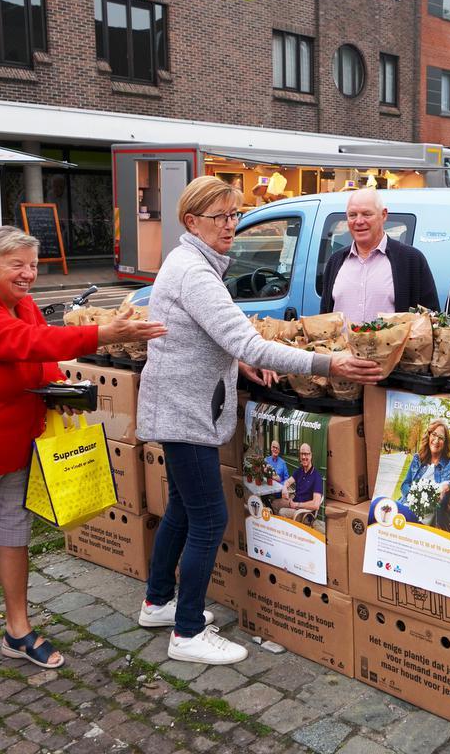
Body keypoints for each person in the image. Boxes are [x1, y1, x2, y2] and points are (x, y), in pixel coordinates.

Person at [136, 176, 381, 665]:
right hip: (185, 412)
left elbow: (216, 338)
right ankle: (186, 632)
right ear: (192, 222)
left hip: (181, 406)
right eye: (220, 217)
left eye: (235, 215)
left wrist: (237, 362)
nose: (231, 226)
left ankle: (157, 602)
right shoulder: (194, 271)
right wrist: (327, 363)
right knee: (209, 519)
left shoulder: (192, 262)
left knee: (184, 509)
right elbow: (246, 339)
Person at [0, 227, 167, 677]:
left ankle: (18, 628)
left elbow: (38, 357)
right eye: (19, 265)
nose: (29, 274)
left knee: (14, 537)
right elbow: (26, 343)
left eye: (33, 265)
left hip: (16, 443)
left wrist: (59, 384)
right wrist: (102, 335)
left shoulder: (22, 303)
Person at [319, 187, 439, 322]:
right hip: (342, 344)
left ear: (383, 215)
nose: (359, 221)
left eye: (366, 214)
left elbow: (431, 319)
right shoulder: (335, 262)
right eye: (352, 215)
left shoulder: (411, 260)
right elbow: (325, 319)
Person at [390, 419, 450, 523]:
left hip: (420, 520)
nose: (436, 440)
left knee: (378, 505)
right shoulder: (418, 459)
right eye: (434, 435)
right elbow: (405, 484)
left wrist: (446, 485)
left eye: (441, 438)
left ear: (445, 443)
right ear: (429, 436)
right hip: (405, 507)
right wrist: (416, 496)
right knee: (379, 506)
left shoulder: (449, 465)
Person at [271, 443, 323, 520]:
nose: (303, 457)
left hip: (304, 512)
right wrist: (285, 487)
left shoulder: (316, 477)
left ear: (311, 455)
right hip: (294, 502)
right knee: (274, 503)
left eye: (306, 454)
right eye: (301, 454)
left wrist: (297, 505)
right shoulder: (299, 471)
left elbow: (315, 504)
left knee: (282, 512)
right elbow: (288, 482)